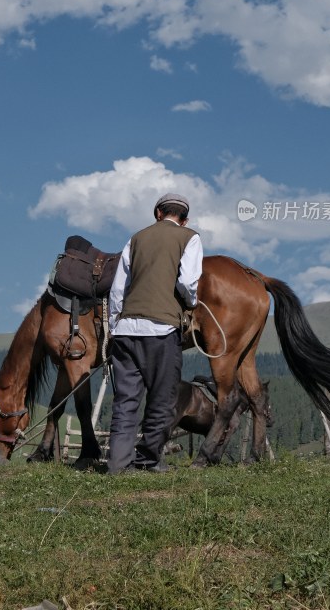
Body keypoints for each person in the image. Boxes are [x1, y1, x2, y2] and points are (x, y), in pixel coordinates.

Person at [107, 193, 203, 474]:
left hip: (125, 330)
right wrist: (191, 302)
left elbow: (118, 288)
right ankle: (148, 460)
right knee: (162, 398)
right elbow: (187, 282)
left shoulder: (135, 238)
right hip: (161, 331)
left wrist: (115, 325)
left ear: (158, 213)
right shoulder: (189, 238)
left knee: (125, 401)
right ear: (184, 220)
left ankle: (118, 465)